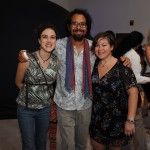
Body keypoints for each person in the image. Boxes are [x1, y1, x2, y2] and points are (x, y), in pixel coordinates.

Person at [18, 9, 131, 150]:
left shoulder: (93, 47)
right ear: (68, 27)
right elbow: (42, 50)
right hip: (64, 104)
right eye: (75, 23)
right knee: (67, 144)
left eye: (82, 24)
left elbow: (108, 56)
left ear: (87, 27)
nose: (79, 27)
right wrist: (24, 54)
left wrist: (123, 59)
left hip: (86, 104)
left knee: (82, 143)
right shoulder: (58, 44)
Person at [89, 31, 139, 150]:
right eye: (97, 45)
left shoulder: (122, 68)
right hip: (96, 120)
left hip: (117, 122)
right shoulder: (94, 65)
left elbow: (133, 92)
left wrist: (130, 121)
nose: (100, 48)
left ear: (112, 47)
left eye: (104, 45)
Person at [15, 23, 58, 150]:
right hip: (26, 109)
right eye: (45, 37)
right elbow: (18, 82)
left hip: (45, 109)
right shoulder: (27, 59)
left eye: (52, 37)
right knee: (29, 145)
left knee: (41, 143)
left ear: (56, 40)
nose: (49, 40)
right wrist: (32, 94)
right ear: (39, 40)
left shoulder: (57, 61)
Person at [114, 31, 150, 150]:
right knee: (137, 122)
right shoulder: (133, 55)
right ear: (138, 44)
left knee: (126, 123)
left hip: (120, 92)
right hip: (132, 92)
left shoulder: (119, 51)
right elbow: (136, 78)